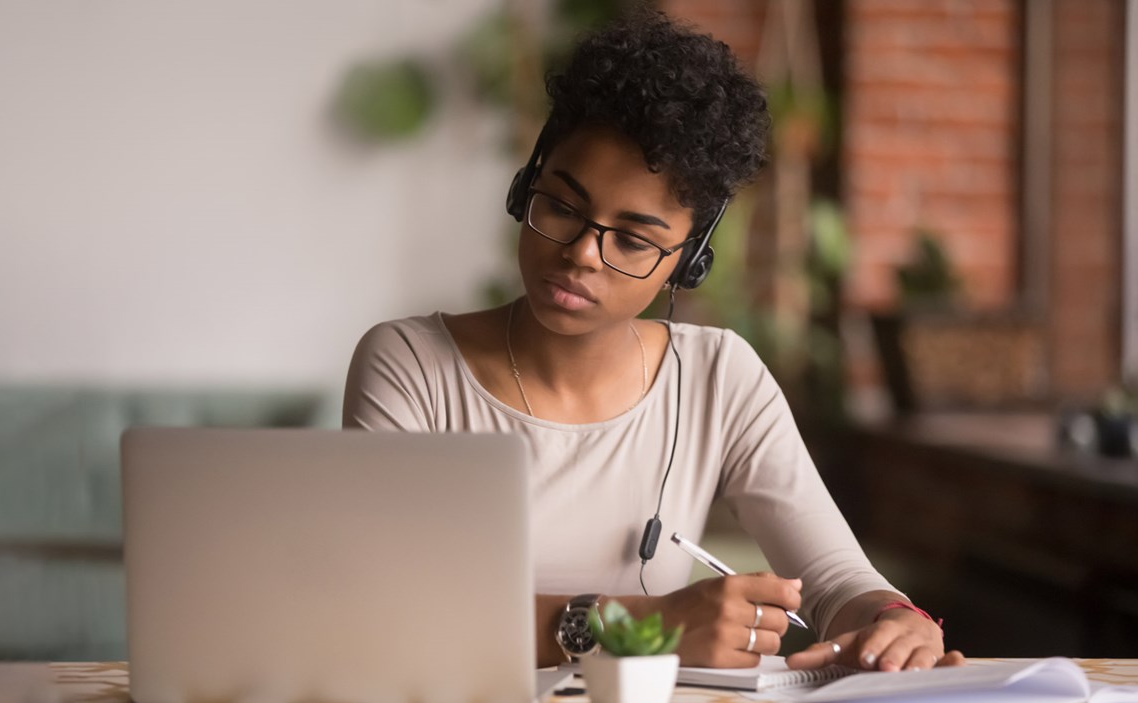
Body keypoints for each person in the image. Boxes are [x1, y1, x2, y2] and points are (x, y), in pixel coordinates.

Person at [343, 9, 963, 672]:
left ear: (686, 262)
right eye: (560, 205)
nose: (581, 253)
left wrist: (896, 622)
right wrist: (644, 622)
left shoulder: (719, 377)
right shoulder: (410, 366)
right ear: (527, 186)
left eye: (633, 240)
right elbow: (388, 607)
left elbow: (837, 578)